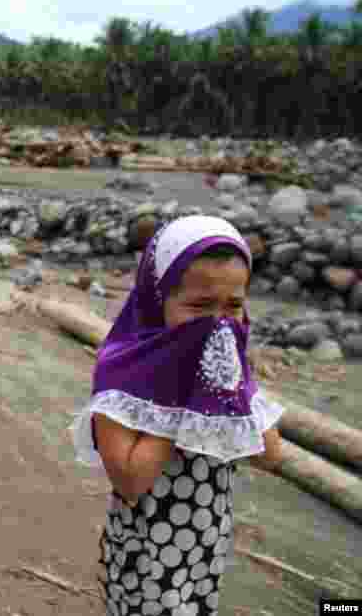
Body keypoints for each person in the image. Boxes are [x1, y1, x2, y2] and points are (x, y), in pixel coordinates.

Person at [69, 215, 284, 616]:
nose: (218, 322)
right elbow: (131, 481)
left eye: (233, 306)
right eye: (200, 307)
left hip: (206, 546)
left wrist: (233, 384)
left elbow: (270, 456)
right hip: (147, 555)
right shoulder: (122, 371)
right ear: (157, 299)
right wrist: (185, 392)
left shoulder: (224, 366)